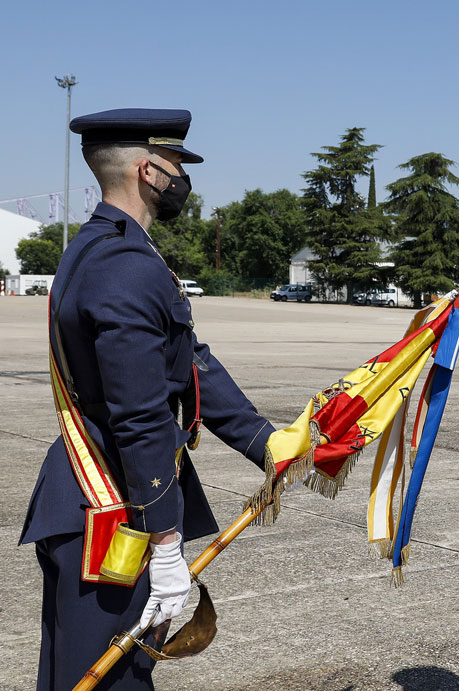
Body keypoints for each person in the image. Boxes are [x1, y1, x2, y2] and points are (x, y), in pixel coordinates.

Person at [20, 109, 277, 690]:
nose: (184, 177)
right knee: (108, 682)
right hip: (113, 512)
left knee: (79, 674)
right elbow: (140, 415)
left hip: (102, 500)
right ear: (148, 170)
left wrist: (266, 442)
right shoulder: (124, 265)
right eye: (177, 164)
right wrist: (164, 541)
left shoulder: (103, 247)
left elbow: (186, 358)